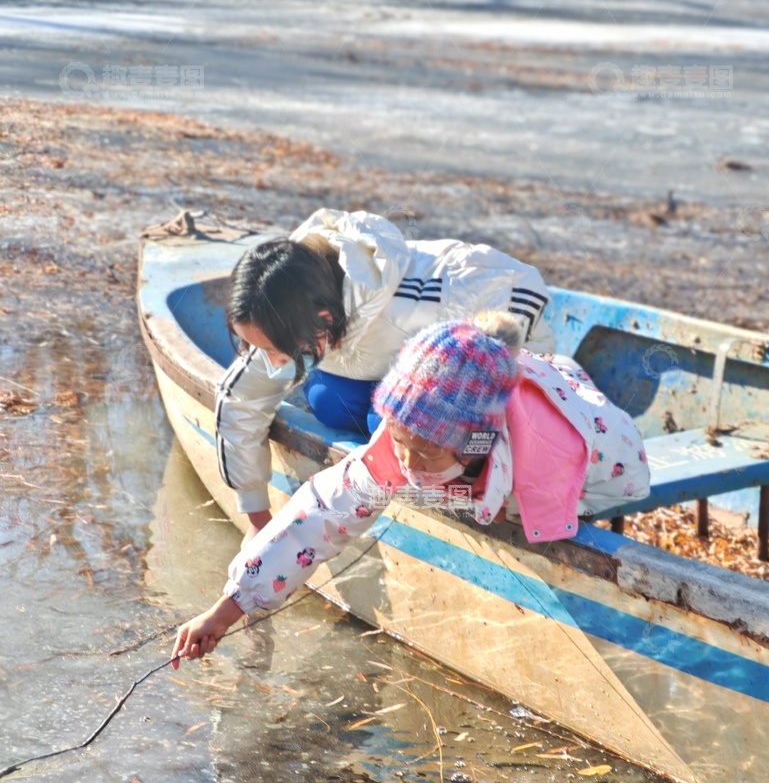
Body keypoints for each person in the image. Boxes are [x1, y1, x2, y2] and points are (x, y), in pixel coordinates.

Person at [171, 313, 650, 667]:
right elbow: (318, 515)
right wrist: (226, 609)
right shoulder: (411, 431)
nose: (406, 465)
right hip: (496, 420)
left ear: (474, 445)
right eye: (400, 443)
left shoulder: (549, 458)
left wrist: (511, 510)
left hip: (598, 455)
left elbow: (610, 487)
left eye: (424, 457)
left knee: (537, 512)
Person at [217, 207, 553, 546]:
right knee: (325, 398)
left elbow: (520, 303)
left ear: (324, 319)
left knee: (392, 424)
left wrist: (489, 475)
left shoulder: (443, 294)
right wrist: (257, 517)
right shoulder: (285, 308)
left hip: (494, 368)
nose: (270, 362)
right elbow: (240, 401)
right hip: (391, 371)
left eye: (275, 349)